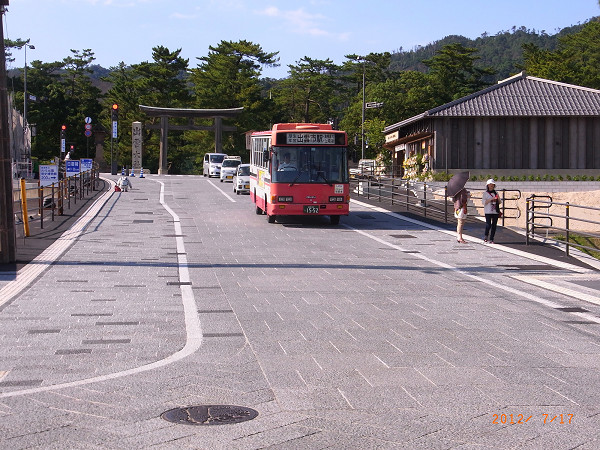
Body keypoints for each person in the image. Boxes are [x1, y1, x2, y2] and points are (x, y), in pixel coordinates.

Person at [482, 178, 500, 243]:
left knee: (494, 225)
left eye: (492, 184)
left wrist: (497, 199)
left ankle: (492, 238)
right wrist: (491, 199)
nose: (491, 186)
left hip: (495, 211)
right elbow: (483, 202)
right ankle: (486, 236)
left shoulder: (496, 193)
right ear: (488, 185)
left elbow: (500, 202)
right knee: (488, 224)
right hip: (488, 211)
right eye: (490, 184)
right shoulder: (485, 193)